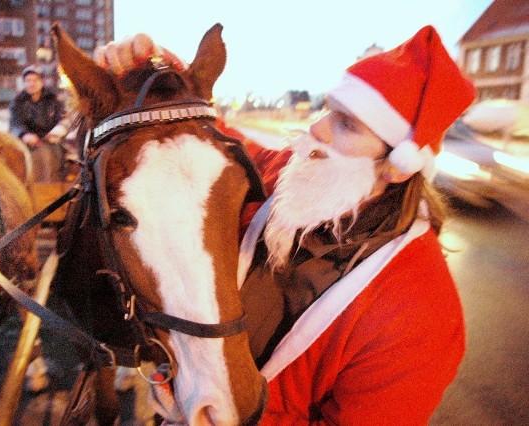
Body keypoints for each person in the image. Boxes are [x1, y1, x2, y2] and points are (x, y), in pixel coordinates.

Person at [94, 25, 475, 425]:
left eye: (347, 125)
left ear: (398, 167)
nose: (317, 129)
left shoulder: (423, 314)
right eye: (329, 110)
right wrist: (162, 76)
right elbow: (203, 146)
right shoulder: (280, 178)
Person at [9, 65, 68, 182]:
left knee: (53, 159)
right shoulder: (18, 102)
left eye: (35, 80)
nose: (31, 84)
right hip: (27, 142)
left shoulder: (54, 100)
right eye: (27, 81)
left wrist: (56, 132)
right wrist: (24, 135)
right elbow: (15, 124)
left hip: (50, 141)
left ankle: (52, 188)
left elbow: (63, 119)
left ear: (42, 82)